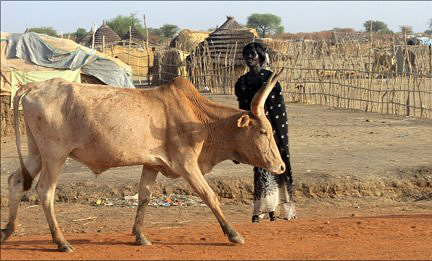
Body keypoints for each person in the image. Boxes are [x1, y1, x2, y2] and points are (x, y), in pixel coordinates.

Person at [234, 42, 296, 223]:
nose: (249, 57)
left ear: (260, 56)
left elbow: (278, 109)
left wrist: (273, 131)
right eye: (246, 54)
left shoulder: (270, 79)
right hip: (255, 130)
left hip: (274, 129)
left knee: (278, 163)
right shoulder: (242, 82)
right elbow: (242, 111)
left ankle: (282, 208)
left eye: (253, 54)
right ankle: (262, 209)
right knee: (259, 165)